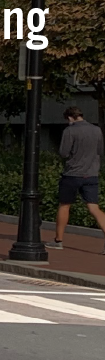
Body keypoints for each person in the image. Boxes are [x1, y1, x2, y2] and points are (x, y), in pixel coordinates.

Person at [53, 105, 102, 251]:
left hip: (72, 174)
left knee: (64, 205)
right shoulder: (96, 130)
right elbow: (100, 151)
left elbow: (63, 152)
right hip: (92, 173)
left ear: (70, 118)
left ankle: (58, 240)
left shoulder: (70, 130)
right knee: (94, 208)